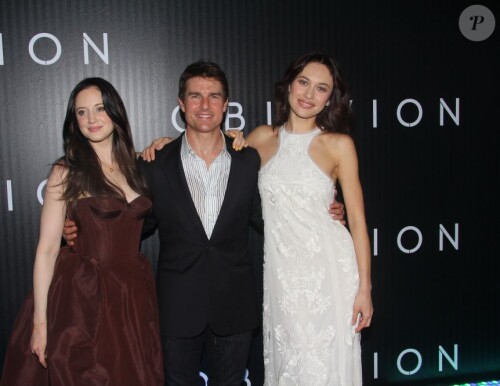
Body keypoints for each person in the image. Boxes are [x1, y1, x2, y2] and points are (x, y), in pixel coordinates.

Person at [114, 60, 345, 385]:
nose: (204, 105)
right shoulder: (154, 163)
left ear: (225, 105)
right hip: (177, 307)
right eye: (195, 96)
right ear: (181, 104)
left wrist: (326, 211)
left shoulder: (248, 159)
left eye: (214, 96)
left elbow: (277, 215)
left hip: (235, 307)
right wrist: (83, 232)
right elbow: (139, 224)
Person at [0, 78, 163, 385]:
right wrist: (40, 323)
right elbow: (47, 250)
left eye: (100, 109)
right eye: (82, 112)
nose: (92, 119)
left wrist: (164, 142)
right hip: (85, 297)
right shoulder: (66, 172)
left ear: (115, 113)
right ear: (74, 122)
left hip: (132, 297)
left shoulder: (137, 166)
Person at [240, 52, 373, 385]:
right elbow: (209, 154)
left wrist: (365, 290)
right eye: (303, 82)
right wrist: (165, 143)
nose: (309, 94)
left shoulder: (339, 144)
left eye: (321, 88)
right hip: (282, 276)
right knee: (289, 363)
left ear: (330, 99)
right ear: (288, 85)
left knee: (325, 366)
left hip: (329, 274)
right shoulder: (259, 139)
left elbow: (357, 220)